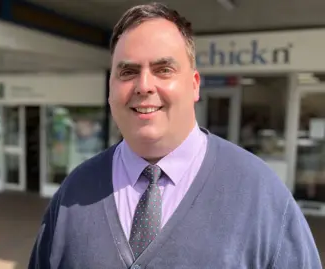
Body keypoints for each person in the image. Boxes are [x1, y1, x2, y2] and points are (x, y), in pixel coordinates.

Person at [28, 3, 321, 269]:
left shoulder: (261, 195)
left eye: (163, 69)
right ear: (110, 89)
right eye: (127, 72)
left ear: (194, 85)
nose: (144, 86)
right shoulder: (75, 193)